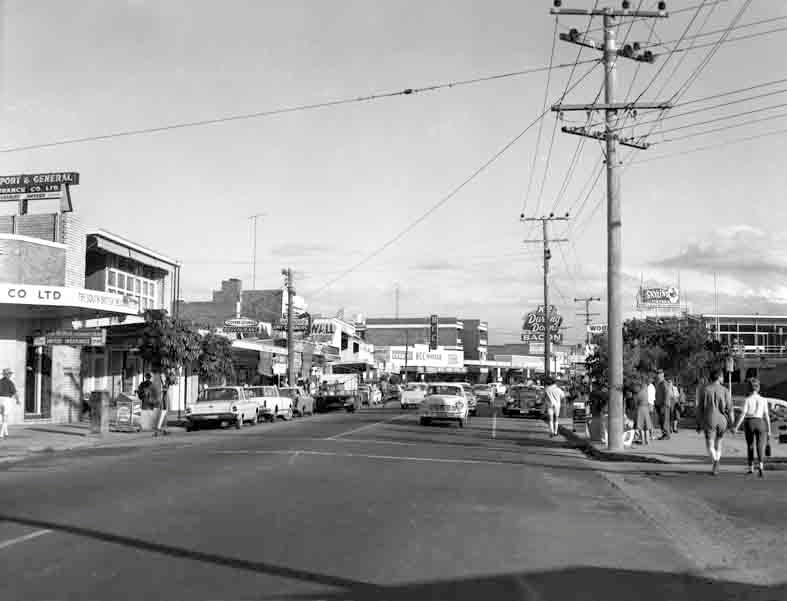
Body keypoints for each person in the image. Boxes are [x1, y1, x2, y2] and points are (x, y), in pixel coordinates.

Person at [697, 368, 733, 475]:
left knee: (709, 444)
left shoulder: (705, 390)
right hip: (722, 419)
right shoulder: (726, 390)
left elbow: (699, 408)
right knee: (719, 442)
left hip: (709, 418)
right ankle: (717, 463)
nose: (723, 378)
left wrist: (698, 422)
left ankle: (715, 462)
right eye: (722, 376)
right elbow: (730, 408)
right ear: (719, 378)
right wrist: (732, 423)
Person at [733, 378, 771, 477]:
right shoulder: (764, 400)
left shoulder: (747, 400)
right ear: (758, 388)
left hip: (749, 422)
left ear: (749, 388)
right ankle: (761, 467)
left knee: (750, 446)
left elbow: (743, 414)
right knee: (760, 446)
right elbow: (767, 416)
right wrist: (769, 430)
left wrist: (736, 427)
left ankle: (751, 468)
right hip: (761, 422)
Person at [0, 368, 20, 439]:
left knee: (2, 416)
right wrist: (18, 400)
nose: (10, 375)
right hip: (6, 400)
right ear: (7, 375)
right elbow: (15, 393)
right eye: (9, 374)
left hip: (0, 399)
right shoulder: (10, 382)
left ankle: (6, 432)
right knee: (5, 417)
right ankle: (1, 433)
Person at [633, 379, 653, 445]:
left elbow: (636, 402)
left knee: (641, 426)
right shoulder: (647, 392)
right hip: (646, 408)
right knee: (646, 426)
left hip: (640, 408)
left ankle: (643, 441)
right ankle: (648, 441)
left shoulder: (639, 393)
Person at [655, 370, 672, 440]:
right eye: (657, 374)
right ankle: (664, 434)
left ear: (662, 375)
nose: (657, 376)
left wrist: (664, 404)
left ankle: (667, 435)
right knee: (662, 420)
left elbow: (667, 394)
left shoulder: (664, 383)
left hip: (664, 405)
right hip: (660, 404)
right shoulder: (659, 383)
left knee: (665, 420)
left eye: (659, 374)